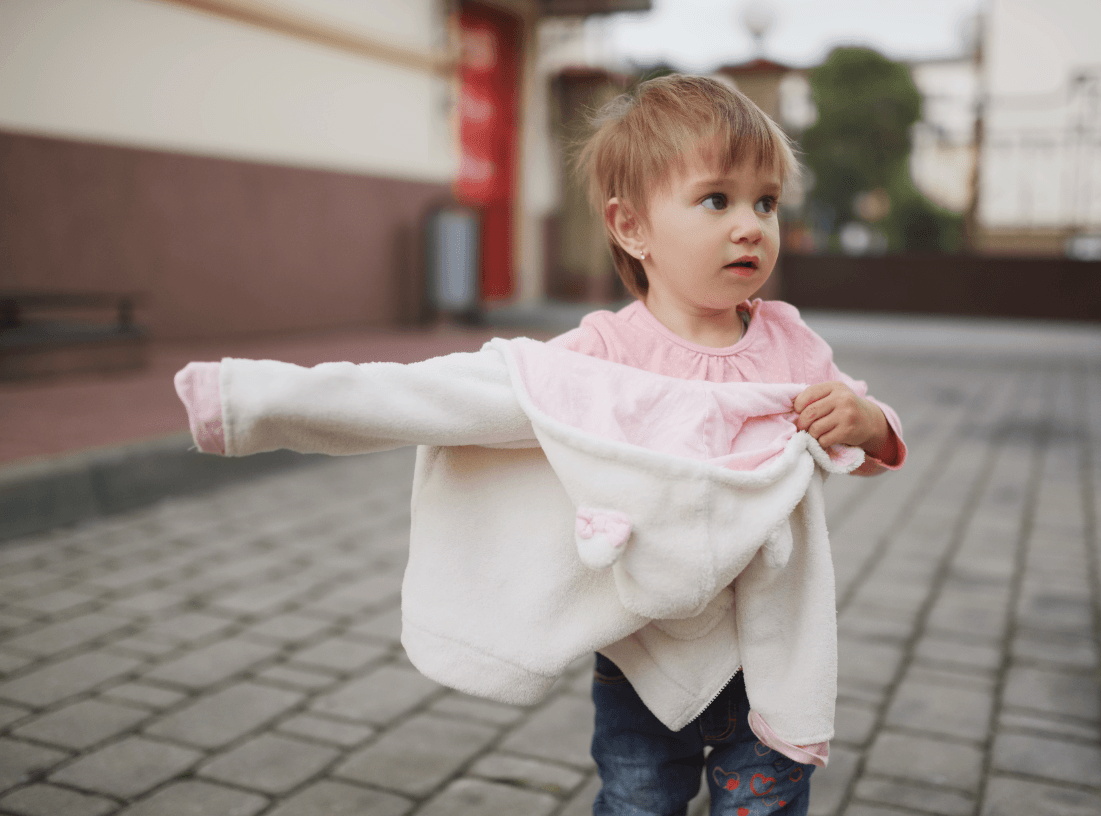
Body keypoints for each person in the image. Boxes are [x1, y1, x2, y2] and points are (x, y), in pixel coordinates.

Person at [174, 74, 904, 816]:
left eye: (767, 202)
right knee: (637, 801)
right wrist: (254, 403)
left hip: (772, 650)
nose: (750, 224)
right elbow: (438, 393)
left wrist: (866, 421)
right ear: (632, 227)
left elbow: (870, 433)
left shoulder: (787, 342)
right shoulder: (600, 355)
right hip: (645, 651)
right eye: (717, 199)